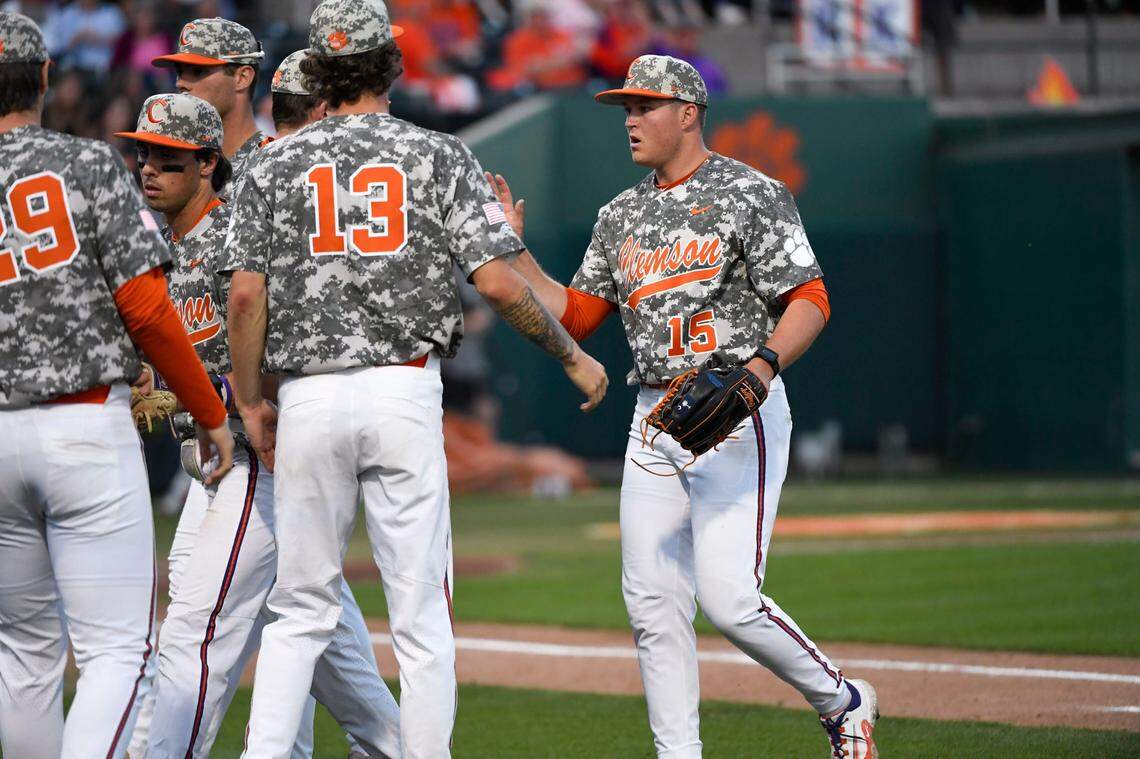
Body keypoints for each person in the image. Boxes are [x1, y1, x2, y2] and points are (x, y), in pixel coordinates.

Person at [222, 1, 607, 755]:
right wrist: (572, 353)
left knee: (300, 608)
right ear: (391, 65)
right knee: (421, 615)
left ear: (317, 69)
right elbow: (497, 284)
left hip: (309, 395)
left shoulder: (269, 160)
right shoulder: (437, 153)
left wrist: (249, 399)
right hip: (403, 391)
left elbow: (243, 295)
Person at [488, 54, 879, 759]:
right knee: (652, 605)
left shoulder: (748, 192)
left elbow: (810, 299)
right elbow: (573, 316)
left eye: (644, 106)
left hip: (737, 408)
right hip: (654, 416)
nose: (630, 120)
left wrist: (763, 367)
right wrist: (514, 253)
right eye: (625, 108)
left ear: (689, 111)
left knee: (730, 601)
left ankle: (842, 699)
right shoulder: (620, 215)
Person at [117, 87, 400, 758]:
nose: (150, 168)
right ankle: (401, 746)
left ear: (208, 163)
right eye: (143, 154)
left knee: (194, 630)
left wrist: (231, 401)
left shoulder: (231, 239)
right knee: (326, 642)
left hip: (259, 466)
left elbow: (282, 351)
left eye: (170, 158)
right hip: (220, 473)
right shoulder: (174, 247)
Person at [0, 12, 231, 758]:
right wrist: (209, 411)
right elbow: (145, 305)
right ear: (43, 78)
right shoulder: (87, 164)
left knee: (24, 656)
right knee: (115, 651)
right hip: (82, 431)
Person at [151, 17, 267, 184]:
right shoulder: (179, 163)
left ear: (242, 77)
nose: (180, 83)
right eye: (179, 72)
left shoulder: (274, 164)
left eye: (198, 71)